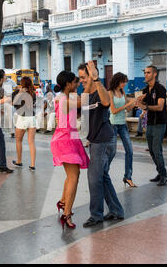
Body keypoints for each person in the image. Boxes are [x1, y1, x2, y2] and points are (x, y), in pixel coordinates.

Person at [78, 61, 124, 227]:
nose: (81, 80)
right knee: (102, 177)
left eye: (83, 77)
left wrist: (97, 80)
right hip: (96, 140)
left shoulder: (100, 91)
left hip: (104, 141)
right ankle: (116, 211)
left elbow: (106, 103)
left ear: (91, 75)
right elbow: (88, 119)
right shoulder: (86, 94)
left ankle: (96, 215)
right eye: (80, 78)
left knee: (94, 179)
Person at [50, 71, 89, 230]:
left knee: (73, 175)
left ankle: (63, 202)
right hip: (65, 139)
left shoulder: (64, 97)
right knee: (74, 177)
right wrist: (92, 79)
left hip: (67, 137)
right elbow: (85, 100)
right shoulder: (65, 99)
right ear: (67, 84)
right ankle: (66, 213)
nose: (78, 84)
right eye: (75, 82)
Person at [136, 65, 167, 186]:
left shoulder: (160, 89)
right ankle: (160, 172)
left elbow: (160, 107)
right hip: (150, 123)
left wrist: (146, 107)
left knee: (157, 150)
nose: (145, 74)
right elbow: (144, 103)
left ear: (154, 74)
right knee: (152, 151)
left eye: (148, 72)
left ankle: (164, 175)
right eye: (145, 72)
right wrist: (140, 101)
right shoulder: (145, 90)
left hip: (160, 123)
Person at [108, 72, 137, 188]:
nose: (124, 84)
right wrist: (127, 105)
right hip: (113, 124)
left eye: (125, 82)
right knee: (112, 152)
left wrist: (135, 103)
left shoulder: (122, 92)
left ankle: (128, 177)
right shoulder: (110, 93)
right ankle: (103, 172)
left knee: (130, 150)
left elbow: (128, 107)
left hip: (122, 124)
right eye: (123, 82)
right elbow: (114, 110)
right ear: (117, 81)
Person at [11, 77, 37, 171]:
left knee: (19, 141)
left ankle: (19, 161)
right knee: (31, 142)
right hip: (32, 117)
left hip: (22, 118)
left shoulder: (18, 93)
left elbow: (13, 103)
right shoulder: (33, 93)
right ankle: (32, 164)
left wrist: (19, 92)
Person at [0, 69, 17, 138]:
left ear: (4, 74)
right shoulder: (0, 82)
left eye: (3, 75)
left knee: (10, 117)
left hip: (9, 101)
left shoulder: (10, 81)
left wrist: (13, 97)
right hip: (1, 101)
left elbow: (16, 88)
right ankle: (1, 131)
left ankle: (12, 132)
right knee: (1, 117)